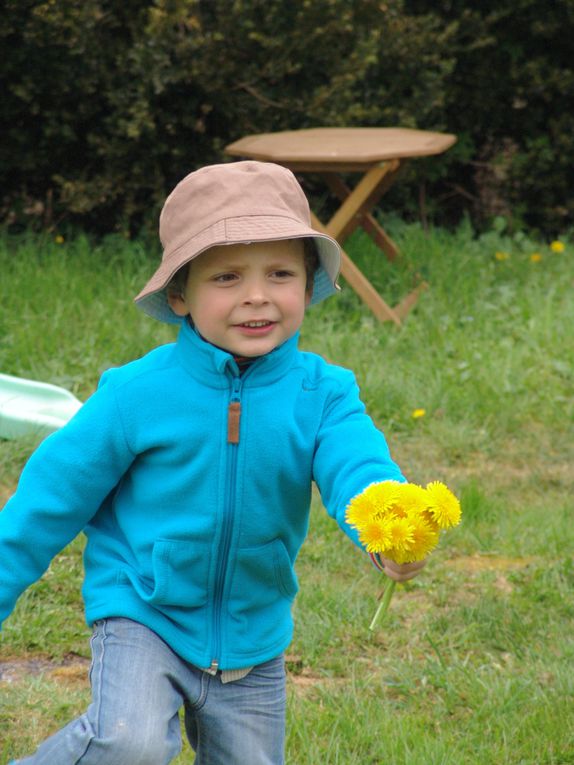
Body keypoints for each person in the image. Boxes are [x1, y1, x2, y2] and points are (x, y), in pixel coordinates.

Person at [0, 161, 425, 765]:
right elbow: (50, 498)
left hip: (254, 630)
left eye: (279, 273)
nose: (257, 295)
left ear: (307, 287)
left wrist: (388, 527)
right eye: (226, 276)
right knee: (130, 741)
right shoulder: (135, 394)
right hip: (143, 609)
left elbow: (357, 465)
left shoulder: (323, 394)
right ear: (180, 294)